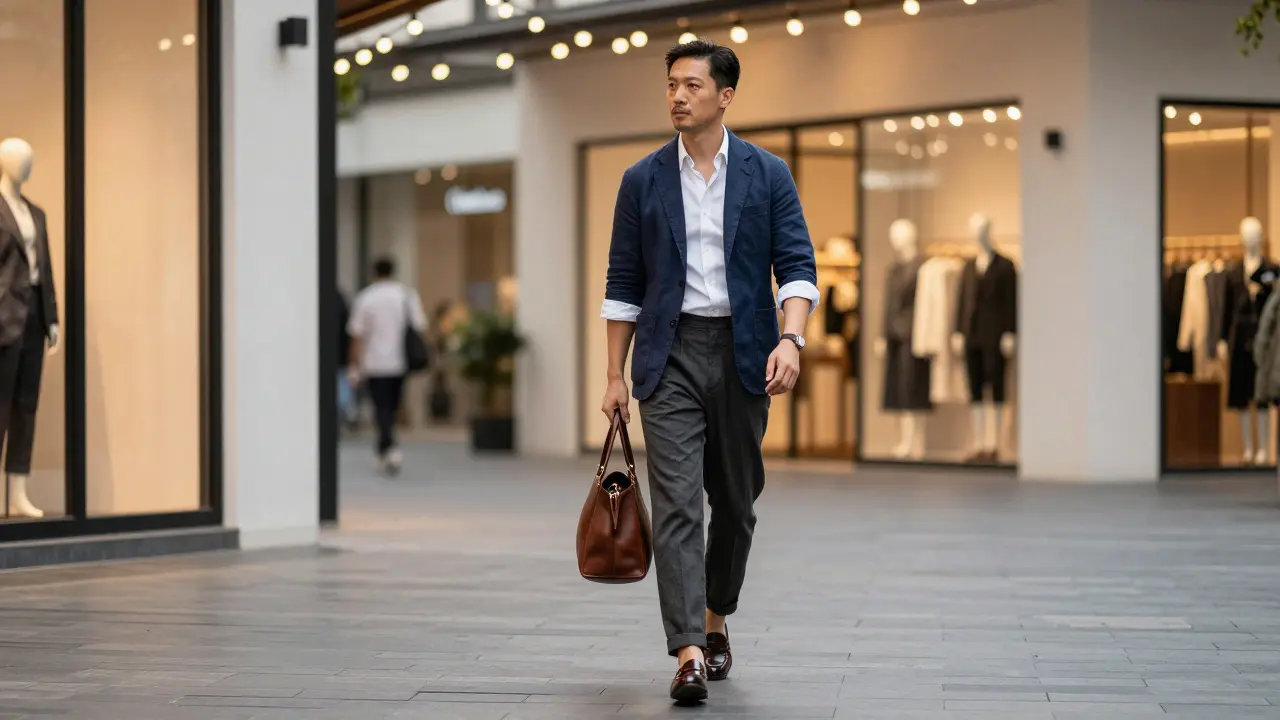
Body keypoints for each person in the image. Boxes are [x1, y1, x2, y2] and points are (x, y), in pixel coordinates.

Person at [599, 39, 818, 703]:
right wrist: (615, 375)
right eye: (671, 84)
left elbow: (798, 265)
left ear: (725, 95)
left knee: (737, 505)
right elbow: (622, 283)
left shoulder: (767, 173)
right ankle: (688, 650)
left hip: (746, 351)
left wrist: (793, 340)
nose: (678, 96)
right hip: (668, 358)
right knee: (676, 506)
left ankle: (716, 617)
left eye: (692, 85)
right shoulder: (642, 180)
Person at [347, 256, 427, 475]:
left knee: (380, 406)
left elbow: (357, 335)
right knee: (392, 405)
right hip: (399, 361)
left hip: (373, 362)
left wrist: (354, 364)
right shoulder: (405, 296)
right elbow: (419, 326)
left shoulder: (366, 298)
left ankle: (387, 446)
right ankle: (388, 445)